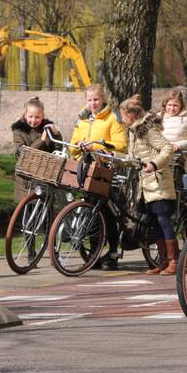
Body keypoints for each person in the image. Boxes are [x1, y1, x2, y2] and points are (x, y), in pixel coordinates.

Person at [69, 83, 128, 268]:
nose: (93, 103)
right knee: (91, 211)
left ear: (103, 99)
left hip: (106, 170)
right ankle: (94, 254)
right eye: (89, 100)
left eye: (96, 99)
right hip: (87, 170)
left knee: (107, 210)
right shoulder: (82, 120)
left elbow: (121, 145)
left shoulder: (112, 118)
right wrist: (78, 146)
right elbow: (72, 146)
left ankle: (112, 253)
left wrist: (97, 146)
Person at [119, 95, 178, 275]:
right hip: (146, 186)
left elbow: (167, 148)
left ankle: (174, 261)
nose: (121, 118)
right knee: (153, 223)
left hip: (159, 183)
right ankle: (162, 261)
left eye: (122, 115)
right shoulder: (134, 131)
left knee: (163, 221)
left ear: (130, 115)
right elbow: (133, 158)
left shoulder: (147, 130)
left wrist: (154, 164)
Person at [159, 89, 187, 213]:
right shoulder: (158, 118)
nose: (172, 108)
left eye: (175, 105)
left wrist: (179, 145)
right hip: (161, 167)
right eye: (169, 105)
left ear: (181, 105)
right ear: (165, 104)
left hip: (184, 168)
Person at [11, 96, 61, 202]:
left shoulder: (47, 129)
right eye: (30, 116)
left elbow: (57, 150)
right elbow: (24, 153)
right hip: (26, 183)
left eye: (37, 117)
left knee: (46, 214)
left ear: (43, 116)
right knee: (27, 215)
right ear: (25, 115)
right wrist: (42, 140)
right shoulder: (19, 131)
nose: (33, 120)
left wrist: (56, 135)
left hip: (44, 179)